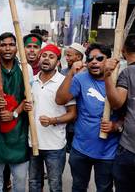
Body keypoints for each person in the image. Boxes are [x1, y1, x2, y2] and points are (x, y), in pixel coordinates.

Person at [56, 43, 122, 192]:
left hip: (107, 153)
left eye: (99, 58)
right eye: (90, 59)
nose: (94, 62)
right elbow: (60, 100)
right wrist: (71, 73)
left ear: (108, 60)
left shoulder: (119, 79)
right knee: (78, 187)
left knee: (104, 188)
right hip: (80, 149)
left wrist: (116, 126)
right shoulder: (81, 79)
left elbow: (125, 114)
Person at [24, 44, 76, 192]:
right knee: (34, 183)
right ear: (39, 59)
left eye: (51, 57)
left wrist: (54, 120)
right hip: (33, 142)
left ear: (58, 62)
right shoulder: (31, 81)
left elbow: (72, 113)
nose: (47, 59)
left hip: (55, 145)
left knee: (54, 185)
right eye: (44, 56)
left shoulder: (64, 82)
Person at [0, 32, 29, 192]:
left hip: (19, 136)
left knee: (19, 182)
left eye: (11, 44)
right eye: (3, 45)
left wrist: (14, 113)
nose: (7, 48)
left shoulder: (26, 68)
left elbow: (30, 99)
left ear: (17, 48)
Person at [104, 34, 135, 192]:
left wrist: (107, 75)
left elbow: (116, 103)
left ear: (123, 51)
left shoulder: (129, 72)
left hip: (129, 150)